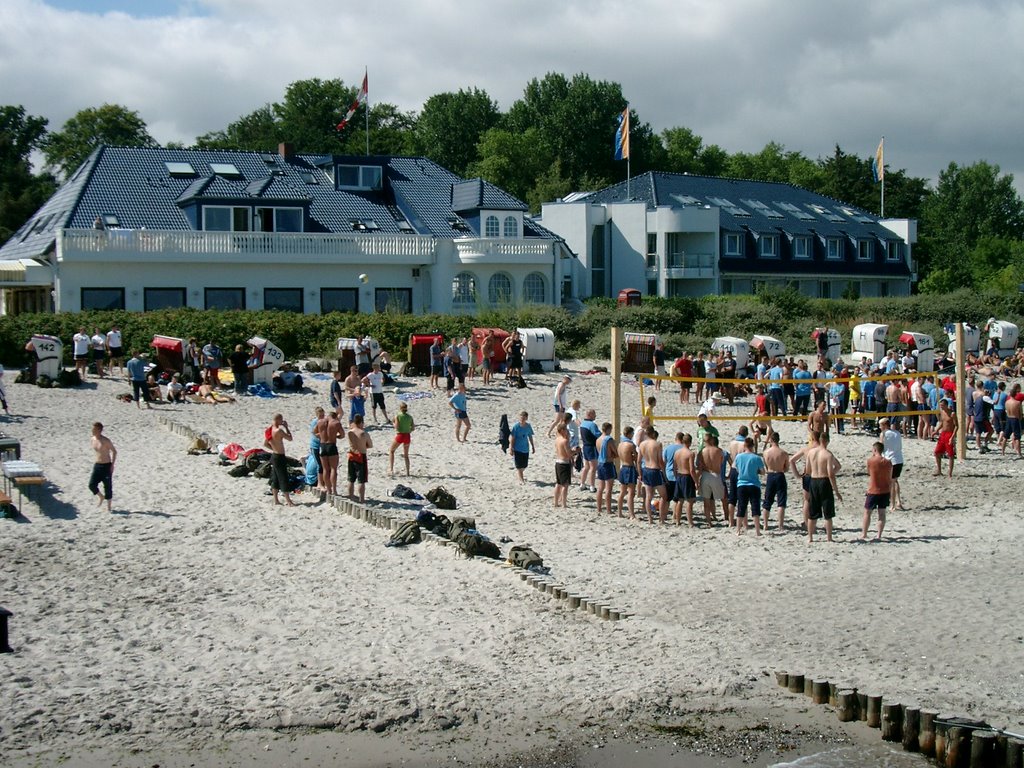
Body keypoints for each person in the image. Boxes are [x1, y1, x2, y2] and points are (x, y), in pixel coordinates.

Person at [806, 432, 842, 543]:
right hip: (824, 480)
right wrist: (836, 491)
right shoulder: (828, 454)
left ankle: (810, 537)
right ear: (827, 441)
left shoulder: (810, 452)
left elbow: (807, 470)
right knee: (828, 512)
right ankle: (829, 537)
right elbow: (832, 472)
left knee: (813, 512)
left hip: (813, 480)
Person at [733, 437, 765, 535]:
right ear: (753, 446)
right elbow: (763, 472)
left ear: (744, 446)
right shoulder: (756, 458)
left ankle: (738, 530)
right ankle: (757, 531)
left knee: (741, 507)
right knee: (755, 507)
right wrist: (757, 471)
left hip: (742, 483)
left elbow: (736, 468)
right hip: (754, 484)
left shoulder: (739, 457)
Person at [696, 434, 728, 525]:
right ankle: (727, 518)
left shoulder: (701, 452)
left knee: (706, 501)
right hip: (716, 475)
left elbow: (699, 466)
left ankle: (709, 522)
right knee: (724, 498)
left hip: (706, 475)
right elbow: (721, 463)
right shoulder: (719, 451)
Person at [863, 442, 892, 541]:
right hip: (885, 489)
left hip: (873, 490)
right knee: (882, 513)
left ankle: (864, 534)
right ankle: (879, 535)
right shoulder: (888, 462)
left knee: (867, 512)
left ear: (874, 450)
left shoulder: (870, 461)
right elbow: (889, 477)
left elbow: (869, 473)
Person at [264, 413, 295, 506]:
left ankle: (276, 500)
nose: (282, 422)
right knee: (283, 477)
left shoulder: (269, 430)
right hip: (279, 456)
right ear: (278, 420)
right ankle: (288, 501)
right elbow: (290, 438)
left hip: (274, 455)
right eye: (281, 420)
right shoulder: (279, 431)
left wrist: (274, 448)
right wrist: (286, 427)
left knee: (275, 478)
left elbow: (265, 444)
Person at [638, 427, 668, 523]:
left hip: (646, 469)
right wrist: (664, 474)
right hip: (655, 470)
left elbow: (638, 461)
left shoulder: (642, 444)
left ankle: (650, 519)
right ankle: (661, 519)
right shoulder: (657, 444)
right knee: (663, 496)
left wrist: (640, 474)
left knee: (648, 496)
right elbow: (660, 461)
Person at [761, 432, 789, 532]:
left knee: (767, 500)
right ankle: (780, 525)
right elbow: (786, 468)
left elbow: (766, 466)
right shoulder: (784, 453)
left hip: (770, 475)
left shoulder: (765, 453)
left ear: (771, 440)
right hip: (780, 474)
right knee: (781, 502)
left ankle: (765, 524)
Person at [88, 422, 117, 512]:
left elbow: (114, 451)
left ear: (99, 430)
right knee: (91, 485)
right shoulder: (92, 439)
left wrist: (112, 465)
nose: (92, 430)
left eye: (94, 429)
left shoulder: (105, 440)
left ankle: (109, 507)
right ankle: (101, 497)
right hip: (97, 465)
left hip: (106, 465)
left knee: (107, 487)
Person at [878, 418, 906, 511]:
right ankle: (898, 502)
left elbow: (880, 447)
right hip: (899, 459)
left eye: (881, 425)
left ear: (885, 425)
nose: (879, 427)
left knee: (891, 483)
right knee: (895, 481)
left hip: (890, 460)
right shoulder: (897, 433)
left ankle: (893, 505)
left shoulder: (884, 434)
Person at [671, 433, 699, 526]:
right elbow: (692, 470)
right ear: (690, 442)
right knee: (689, 501)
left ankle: (678, 521)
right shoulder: (690, 453)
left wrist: (676, 477)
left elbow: (674, 467)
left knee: (680, 500)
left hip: (679, 476)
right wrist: (696, 481)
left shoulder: (677, 452)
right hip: (687, 477)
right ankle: (690, 522)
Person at [346, 414, 373, 502]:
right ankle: (361, 499)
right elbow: (370, 445)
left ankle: (351, 496)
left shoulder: (350, 432)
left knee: (351, 478)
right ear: (361, 422)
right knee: (361, 480)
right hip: (361, 455)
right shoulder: (364, 433)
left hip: (351, 455)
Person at [317, 409, 344, 497]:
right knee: (333, 469)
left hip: (322, 445)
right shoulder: (336, 423)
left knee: (325, 469)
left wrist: (321, 435)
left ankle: (328, 490)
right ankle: (334, 490)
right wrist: (337, 436)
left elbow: (314, 432)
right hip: (331, 445)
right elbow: (342, 435)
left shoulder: (320, 421)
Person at [616, 426, 639, 518]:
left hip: (623, 467)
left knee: (622, 492)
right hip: (629, 468)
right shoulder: (631, 445)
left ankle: (619, 512)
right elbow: (636, 457)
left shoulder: (620, 445)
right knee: (631, 493)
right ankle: (631, 514)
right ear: (629, 434)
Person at [594, 422, 616, 515]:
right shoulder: (609, 439)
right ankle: (608, 509)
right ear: (608, 429)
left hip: (600, 463)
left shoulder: (598, 439)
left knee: (600, 488)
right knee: (608, 488)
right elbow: (615, 451)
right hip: (608, 463)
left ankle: (599, 508)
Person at [388, 402, 415, 476]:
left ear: (400, 408)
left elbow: (396, 427)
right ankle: (408, 472)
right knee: (406, 455)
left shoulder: (398, 416)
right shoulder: (410, 417)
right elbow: (413, 428)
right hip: (407, 436)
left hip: (400, 435)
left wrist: (393, 423)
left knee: (391, 451)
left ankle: (391, 469)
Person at [509, 411, 535, 484]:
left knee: (524, 465)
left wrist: (533, 446)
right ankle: (521, 479)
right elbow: (513, 438)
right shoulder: (516, 427)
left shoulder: (528, 426)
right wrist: (511, 448)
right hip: (517, 449)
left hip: (525, 448)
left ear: (526, 418)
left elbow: (530, 436)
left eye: (524, 418)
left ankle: (520, 473)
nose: (522, 419)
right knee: (519, 466)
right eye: (521, 418)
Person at [934, 399, 958, 477]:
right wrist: (936, 430)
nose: (941, 407)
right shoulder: (942, 412)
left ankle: (950, 473)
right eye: (940, 406)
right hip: (943, 434)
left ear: (946, 405)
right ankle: (939, 470)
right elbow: (942, 423)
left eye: (942, 405)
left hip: (949, 434)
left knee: (950, 454)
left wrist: (952, 437)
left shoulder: (952, 414)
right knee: (937, 452)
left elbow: (956, 426)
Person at [579, 408, 601, 492]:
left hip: (585, 446)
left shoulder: (582, 424)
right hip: (591, 447)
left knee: (586, 466)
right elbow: (597, 435)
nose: (595, 416)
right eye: (594, 414)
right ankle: (592, 486)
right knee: (593, 467)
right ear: (590, 415)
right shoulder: (592, 425)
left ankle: (582, 483)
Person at [553, 424, 573, 508]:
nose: (567, 431)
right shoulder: (564, 441)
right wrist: (575, 451)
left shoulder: (557, 439)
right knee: (565, 485)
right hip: (564, 463)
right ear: (561, 430)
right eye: (565, 430)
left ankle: (556, 502)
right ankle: (564, 504)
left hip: (558, 462)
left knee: (558, 484)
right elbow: (569, 454)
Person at [309, 407, 326, 496]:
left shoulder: (324, 421)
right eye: (320, 415)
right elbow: (315, 434)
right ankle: (320, 483)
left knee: (324, 465)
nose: (322, 417)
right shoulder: (315, 422)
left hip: (322, 445)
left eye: (323, 415)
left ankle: (324, 482)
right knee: (319, 465)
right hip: (315, 446)